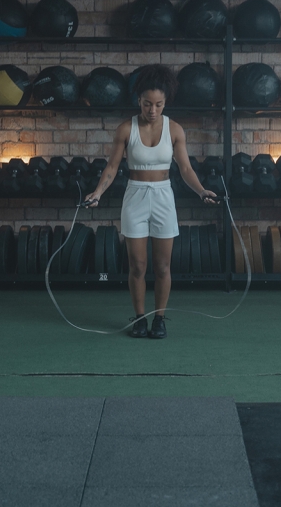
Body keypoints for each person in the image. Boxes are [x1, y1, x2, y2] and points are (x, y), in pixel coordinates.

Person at [84, 64, 218, 339]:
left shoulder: (175, 130)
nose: (153, 110)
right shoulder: (126, 129)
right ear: (139, 101)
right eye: (147, 104)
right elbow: (112, 167)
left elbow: (185, 169)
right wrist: (97, 193)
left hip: (163, 197)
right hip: (135, 196)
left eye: (158, 104)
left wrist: (201, 191)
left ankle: (159, 319)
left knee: (163, 266)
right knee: (137, 266)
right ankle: (139, 319)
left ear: (166, 102)